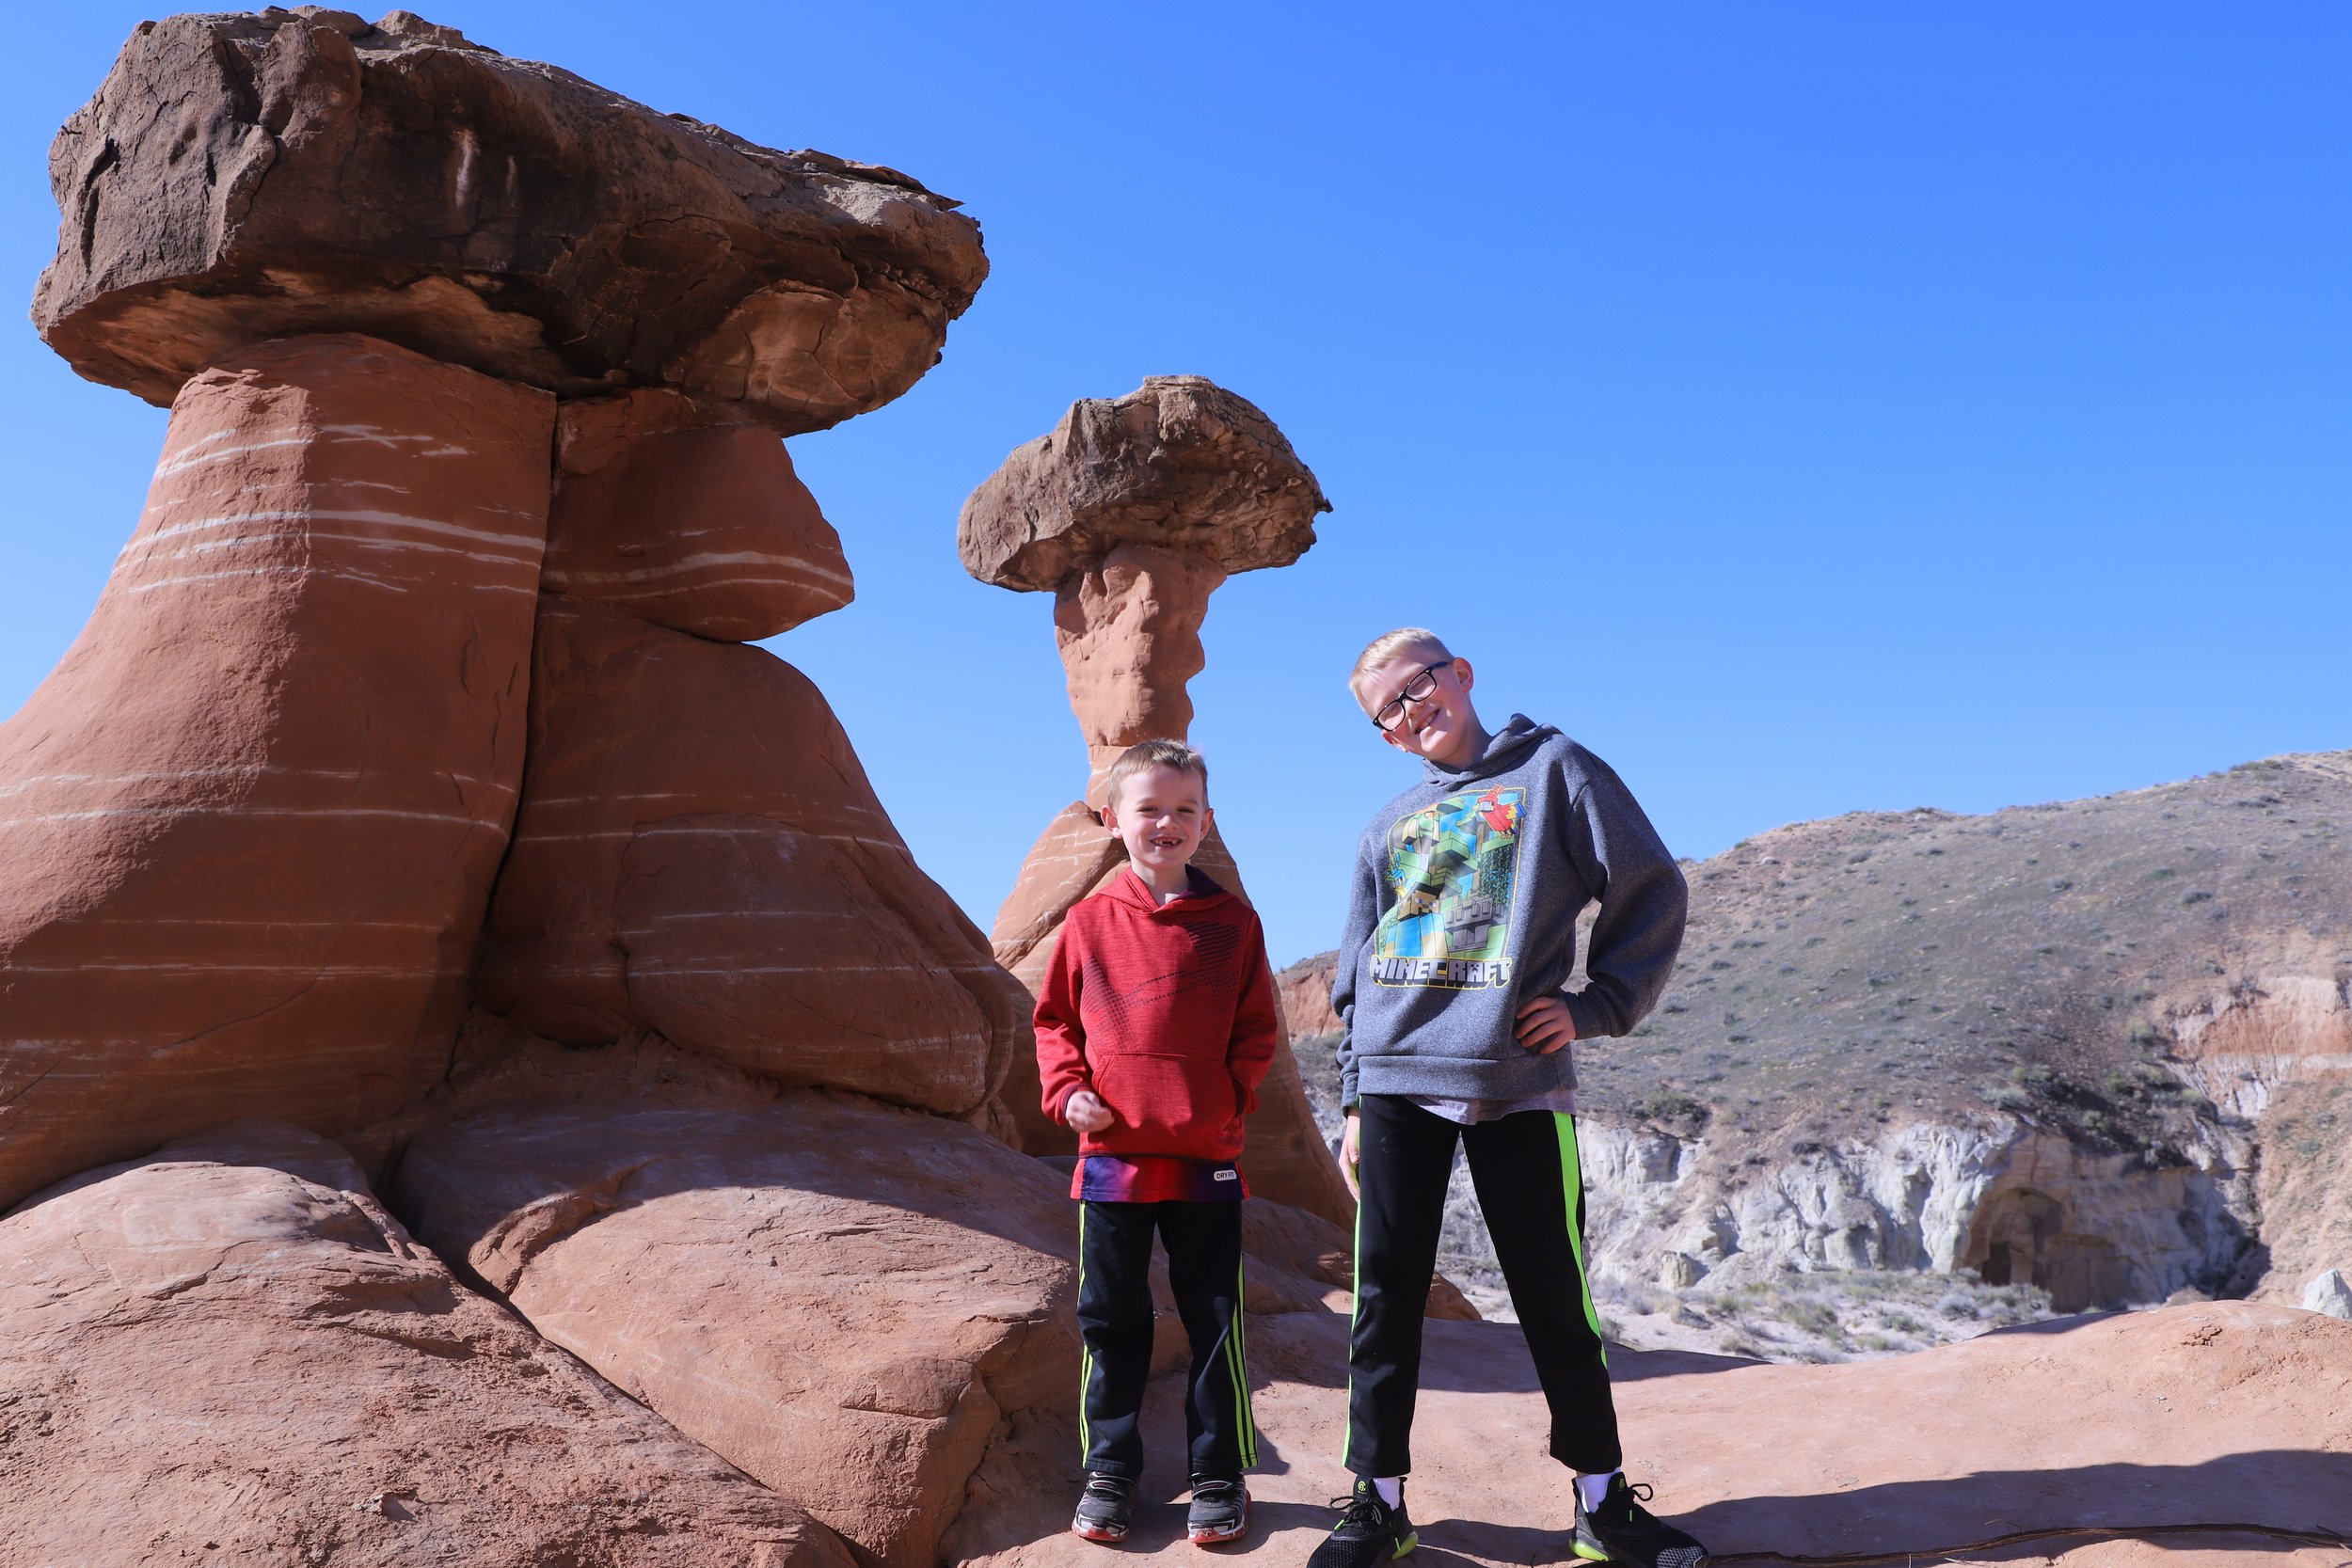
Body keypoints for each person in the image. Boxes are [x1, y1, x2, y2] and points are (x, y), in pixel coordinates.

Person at [1309, 629, 1708, 1568]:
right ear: (1383, 734)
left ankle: (1602, 1504)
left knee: (1552, 1292)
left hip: (1517, 1080)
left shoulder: (1555, 770)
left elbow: (1650, 887)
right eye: (1390, 708)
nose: (1414, 710)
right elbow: (1357, 966)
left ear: (1461, 674)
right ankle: (1377, 1501)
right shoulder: (1389, 822)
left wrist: (1597, 1003)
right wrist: (1356, 1097)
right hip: (1398, 1077)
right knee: (1384, 1294)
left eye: (1420, 685)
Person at [1034, 738, 1281, 1547]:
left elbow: (1256, 1029)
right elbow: (1054, 1024)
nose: (1167, 823)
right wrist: (1070, 1092)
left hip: (1205, 1155)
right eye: (1150, 809)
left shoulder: (1234, 925)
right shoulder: (1088, 922)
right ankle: (1110, 1471)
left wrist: (1227, 1098)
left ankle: (1218, 1474)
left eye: (1184, 810)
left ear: (1206, 822)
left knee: (1214, 1317)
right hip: (1111, 1162)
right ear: (1115, 819)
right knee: (1113, 1318)